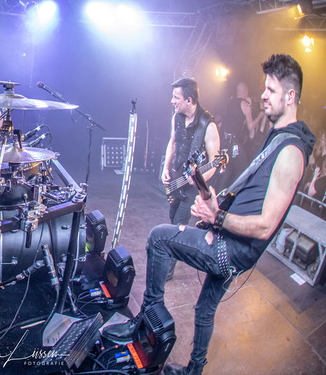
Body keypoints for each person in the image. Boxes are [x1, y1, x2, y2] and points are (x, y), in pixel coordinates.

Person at [104, 54, 315, 375]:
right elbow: (254, 198)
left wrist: (218, 218)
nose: (262, 96)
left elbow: (265, 226)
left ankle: (141, 326)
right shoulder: (280, 139)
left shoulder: (291, 152)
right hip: (231, 239)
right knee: (204, 308)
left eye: (270, 90)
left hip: (231, 248)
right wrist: (219, 209)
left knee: (159, 237)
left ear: (290, 96)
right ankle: (194, 370)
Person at [161, 78, 221, 279]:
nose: (172, 101)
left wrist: (198, 179)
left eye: (176, 98)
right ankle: (173, 256)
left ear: (189, 100)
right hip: (176, 181)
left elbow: (214, 163)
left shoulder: (208, 125)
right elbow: (173, 143)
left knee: (178, 226)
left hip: (192, 188)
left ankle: (167, 272)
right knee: (173, 220)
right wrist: (166, 168)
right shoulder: (176, 117)